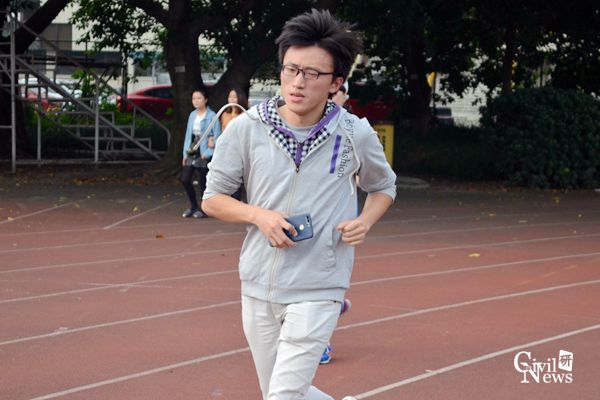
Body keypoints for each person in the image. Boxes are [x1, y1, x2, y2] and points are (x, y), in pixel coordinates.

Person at [202, 9, 396, 400]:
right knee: (280, 391)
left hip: (320, 283)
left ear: (335, 82)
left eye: (311, 73)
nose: (298, 82)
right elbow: (213, 199)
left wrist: (366, 220)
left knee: (283, 396)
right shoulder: (246, 129)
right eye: (291, 70)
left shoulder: (354, 133)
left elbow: (383, 187)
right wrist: (258, 216)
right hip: (258, 283)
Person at [181, 88, 221, 218]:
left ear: (205, 100)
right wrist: (185, 154)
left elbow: (218, 136)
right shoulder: (192, 115)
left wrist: (209, 152)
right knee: (185, 179)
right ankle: (193, 206)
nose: (196, 101)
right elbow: (188, 136)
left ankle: (205, 209)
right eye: (194, 98)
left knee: (203, 182)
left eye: (199, 98)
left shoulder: (212, 115)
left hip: (205, 151)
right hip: (193, 149)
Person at [220, 87, 249, 201]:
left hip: (240, 150)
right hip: (226, 150)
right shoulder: (224, 114)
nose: (231, 99)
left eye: (234, 97)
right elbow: (221, 132)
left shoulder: (245, 114)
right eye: (230, 97)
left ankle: (237, 201)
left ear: (240, 98)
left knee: (238, 177)